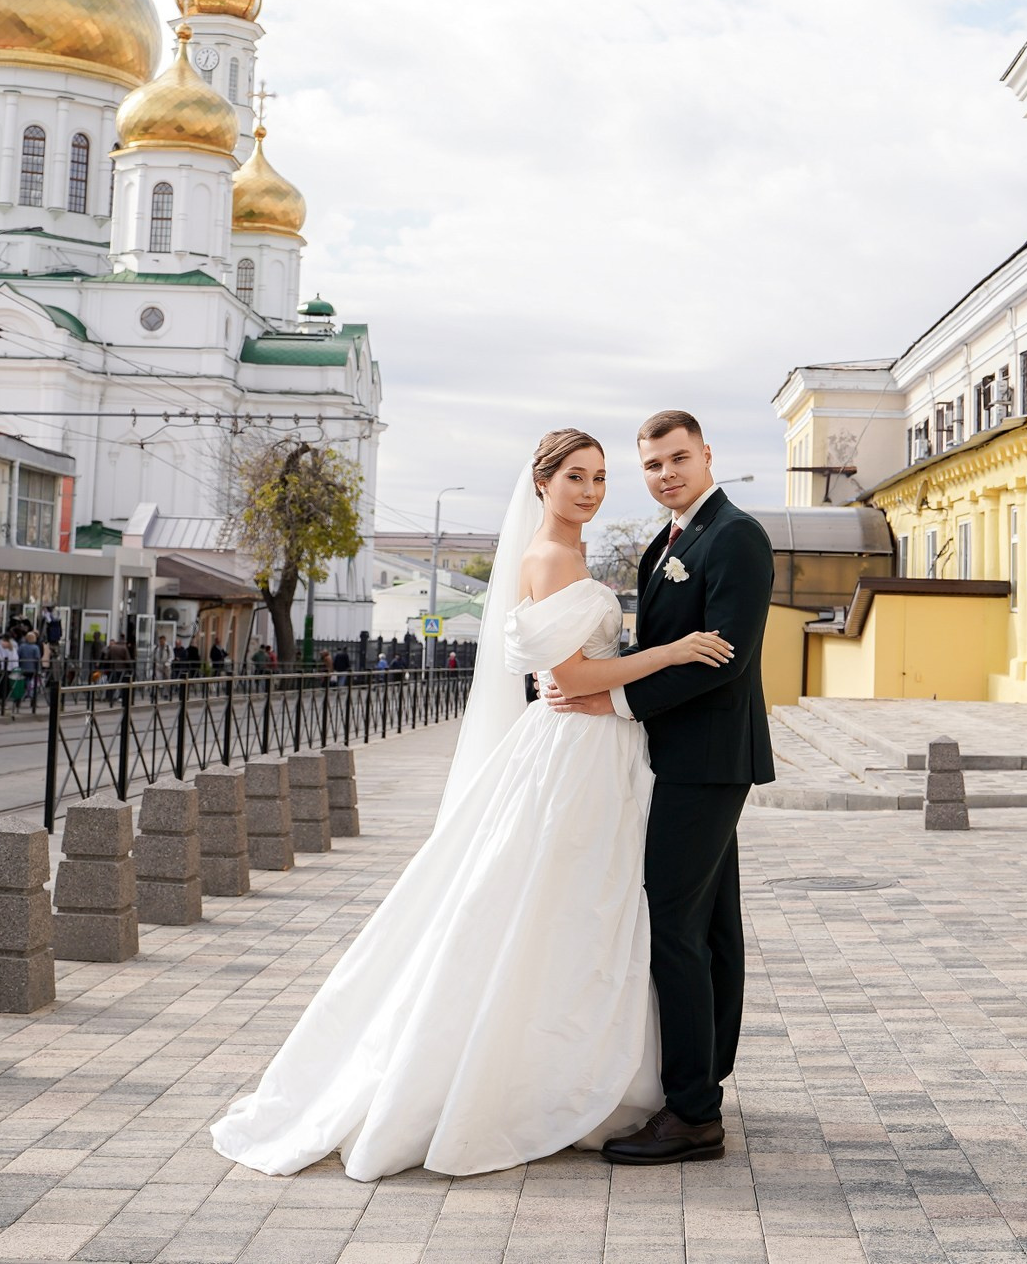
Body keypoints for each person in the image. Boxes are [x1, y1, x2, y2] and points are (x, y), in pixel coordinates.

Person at [211, 427, 733, 1180]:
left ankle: (580, 1069)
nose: (590, 491)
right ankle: (522, 1077)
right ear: (542, 483)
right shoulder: (549, 557)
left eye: (600, 477)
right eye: (575, 477)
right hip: (572, 753)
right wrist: (676, 650)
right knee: (555, 904)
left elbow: (583, 674)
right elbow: (575, 674)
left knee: (590, 908)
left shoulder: (577, 553)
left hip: (601, 751)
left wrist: (616, 678)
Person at [545, 411, 774, 1165]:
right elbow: (655, 647)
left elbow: (726, 658)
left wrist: (611, 701)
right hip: (675, 755)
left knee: (672, 924)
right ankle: (704, 1080)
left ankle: (691, 1113)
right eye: (652, 464)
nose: (665, 473)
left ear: (708, 455)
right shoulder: (668, 541)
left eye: (678, 458)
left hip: (708, 758)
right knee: (708, 927)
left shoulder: (736, 535)